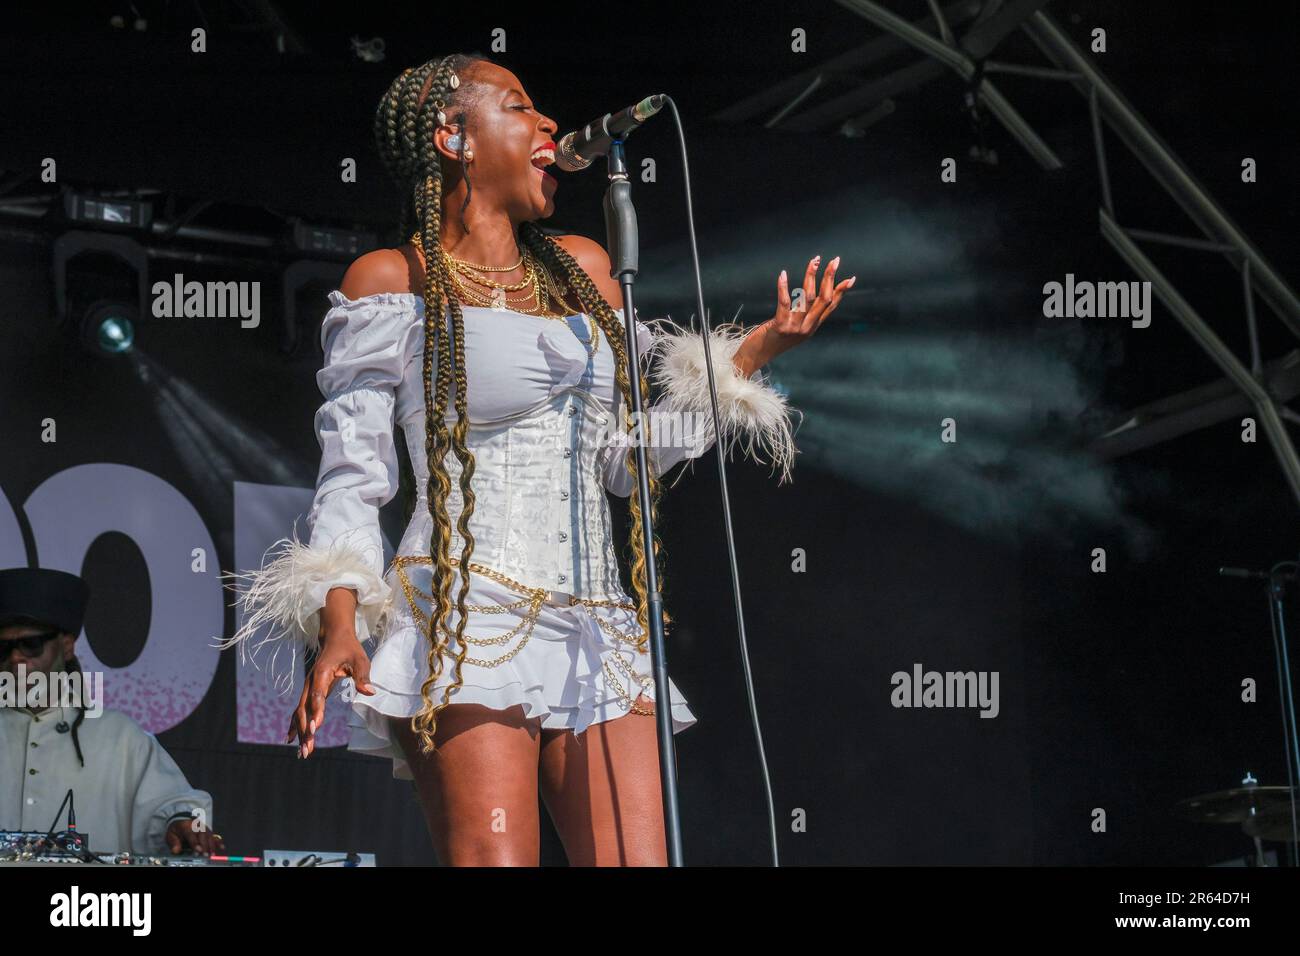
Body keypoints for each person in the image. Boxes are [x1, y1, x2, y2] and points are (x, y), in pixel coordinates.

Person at [224, 53, 851, 866]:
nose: (551, 125)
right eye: (521, 107)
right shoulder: (393, 281)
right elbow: (355, 472)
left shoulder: (588, 271)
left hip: (595, 623)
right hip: (465, 614)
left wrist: (750, 357)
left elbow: (622, 465)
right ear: (455, 136)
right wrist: (339, 619)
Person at [0, 567, 223, 857]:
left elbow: (173, 804)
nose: (16, 657)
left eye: (31, 644)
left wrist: (182, 822)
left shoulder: (119, 737)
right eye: (3, 648)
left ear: (66, 646)